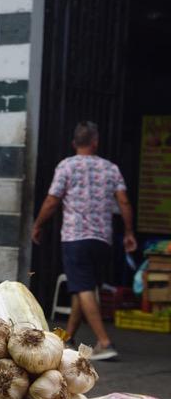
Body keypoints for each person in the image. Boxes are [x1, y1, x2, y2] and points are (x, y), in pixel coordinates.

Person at [32, 120, 137, 362]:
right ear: (95, 142)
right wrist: (129, 232)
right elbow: (124, 202)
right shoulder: (111, 168)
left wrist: (38, 225)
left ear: (74, 143)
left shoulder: (66, 167)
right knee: (84, 288)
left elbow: (51, 200)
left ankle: (104, 342)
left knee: (83, 287)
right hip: (102, 240)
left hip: (75, 237)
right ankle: (66, 338)